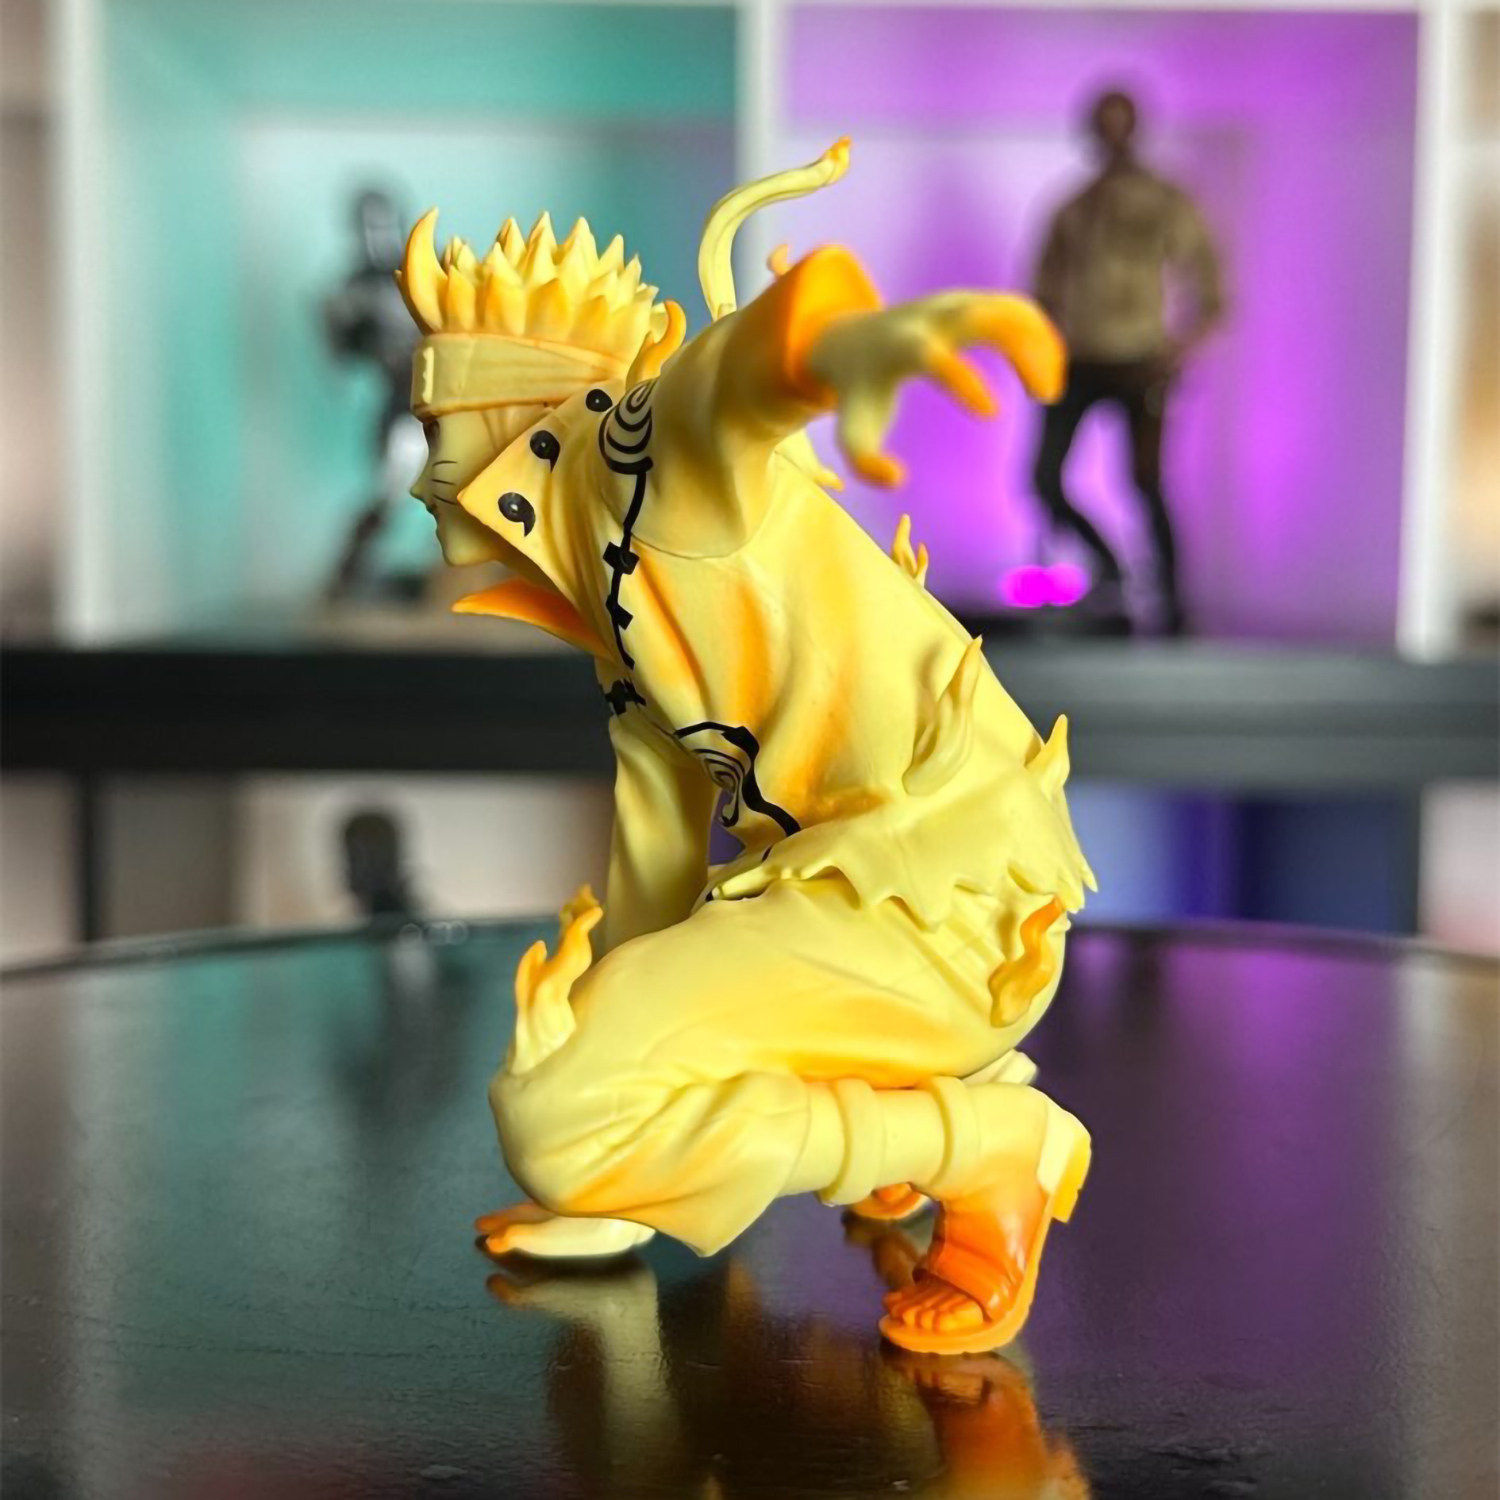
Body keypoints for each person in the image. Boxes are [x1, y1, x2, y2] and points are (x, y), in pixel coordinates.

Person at [1031, 88, 1225, 634]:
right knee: (1044, 478)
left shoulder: (1166, 202)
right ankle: (1109, 566)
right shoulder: (1072, 208)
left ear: (1137, 128)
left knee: (1146, 481)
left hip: (1141, 360)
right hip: (1080, 359)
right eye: (1102, 124)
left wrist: (1179, 348)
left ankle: (1172, 602)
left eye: (1121, 123)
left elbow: (1210, 287)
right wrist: (1045, 349)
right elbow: (1042, 289)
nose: (1111, 135)